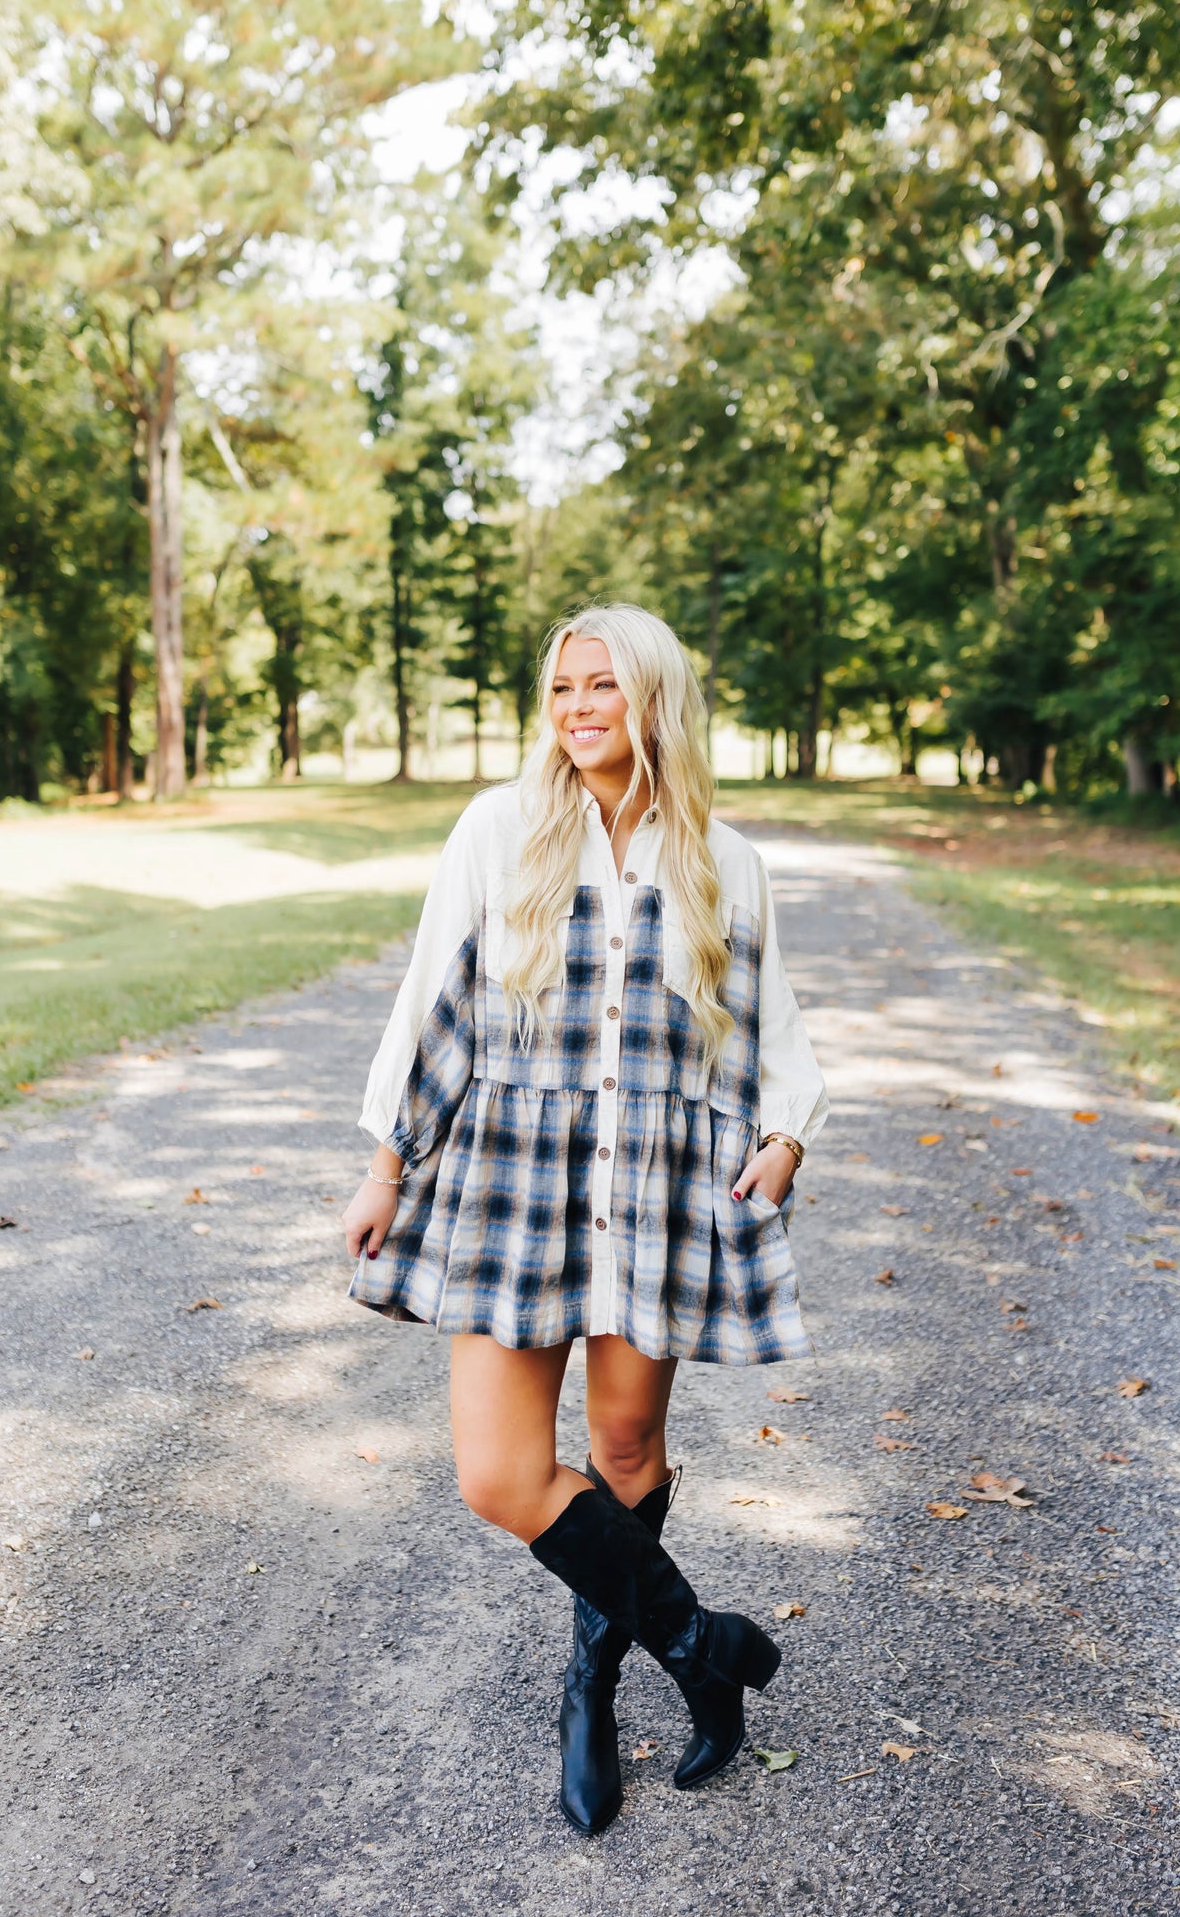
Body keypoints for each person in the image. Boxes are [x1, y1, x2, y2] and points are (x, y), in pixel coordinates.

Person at [341, 603, 827, 1835]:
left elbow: (770, 1025)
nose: (577, 708)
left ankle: (591, 1687)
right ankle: (698, 1642)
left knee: (620, 1451)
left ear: (654, 696)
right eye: (561, 689)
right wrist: (389, 1157)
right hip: (515, 1171)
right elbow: (433, 997)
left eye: (602, 684)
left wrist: (784, 1136)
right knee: (499, 1472)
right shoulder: (499, 829)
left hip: (653, 1185)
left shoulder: (723, 855)